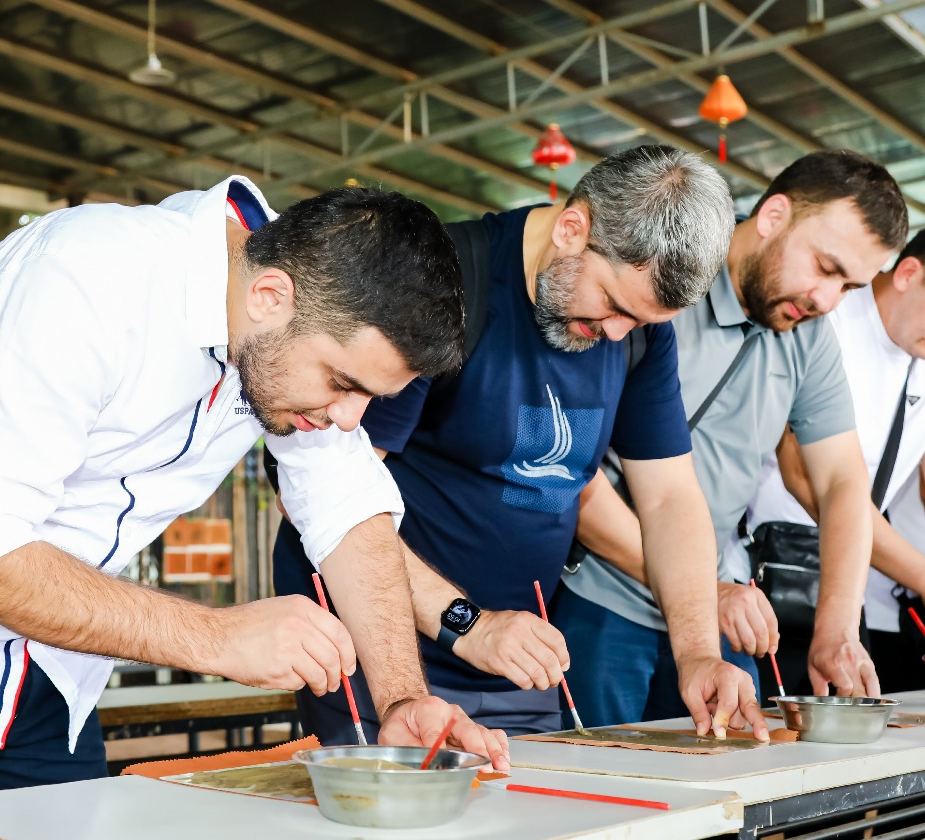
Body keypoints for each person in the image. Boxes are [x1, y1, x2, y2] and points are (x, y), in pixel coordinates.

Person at [0, 178, 509, 812]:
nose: (349, 418)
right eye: (343, 383)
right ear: (270, 297)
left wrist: (402, 699)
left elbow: (351, 515)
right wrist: (219, 636)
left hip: (44, 662)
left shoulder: (288, 328)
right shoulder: (89, 273)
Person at [273, 144, 767, 746]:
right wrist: (468, 624)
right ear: (571, 227)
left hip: (518, 658)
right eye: (612, 304)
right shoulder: (443, 286)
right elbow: (326, 497)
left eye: (638, 322)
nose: (615, 333)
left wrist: (696, 652)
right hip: (384, 652)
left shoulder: (637, 337)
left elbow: (669, 498)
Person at [560, 150, 909, 726]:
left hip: (717, 619)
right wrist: (705, 590)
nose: (827, 300)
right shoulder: (659, 287)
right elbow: (571, 471)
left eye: (848, 286)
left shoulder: (810, 334)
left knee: (729, 799)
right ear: (773, 216)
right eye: (825, 267)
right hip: (599, 599)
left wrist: (836, 628)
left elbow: (843, 482)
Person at [723, 229, 925, 694]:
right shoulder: (827, 322)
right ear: (909, 273)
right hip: (763, 576)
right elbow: (805, 476)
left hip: (844, 596)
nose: (830, 290)